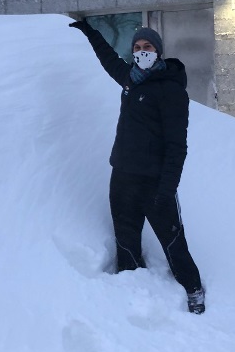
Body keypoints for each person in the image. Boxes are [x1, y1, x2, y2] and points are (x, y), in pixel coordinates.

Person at [69, 19, 205, 314]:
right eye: (138, 47)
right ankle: (129, 281)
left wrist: (168, 188)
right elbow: (109, 59)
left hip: (155, 181)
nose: (142, 52)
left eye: (148, 47)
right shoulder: (131, 78)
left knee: (172, 241)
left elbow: (176, 146)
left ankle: (193, 288)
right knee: (126, 236)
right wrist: (91, 33)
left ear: (158, 51)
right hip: (123, 174)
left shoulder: (170, 90)